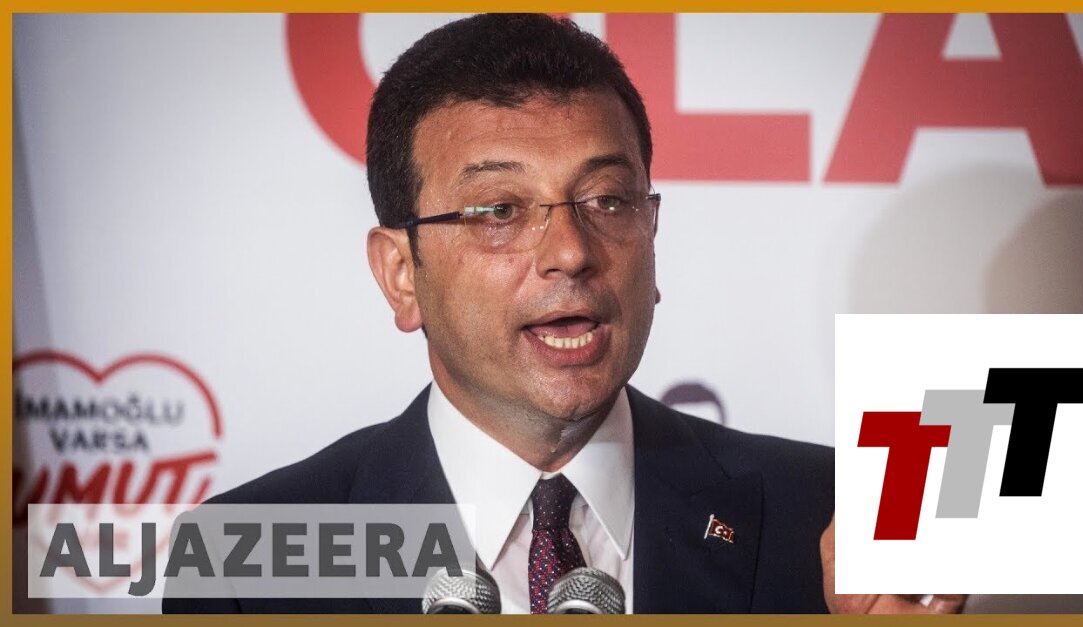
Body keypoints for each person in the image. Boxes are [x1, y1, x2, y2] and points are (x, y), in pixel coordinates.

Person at [164, 13, 962, 614]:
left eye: (607, 199)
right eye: (499, 210)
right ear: (401, 274)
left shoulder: (834, 514)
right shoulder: (247, 559)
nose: (571, 252)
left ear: (651, 232)